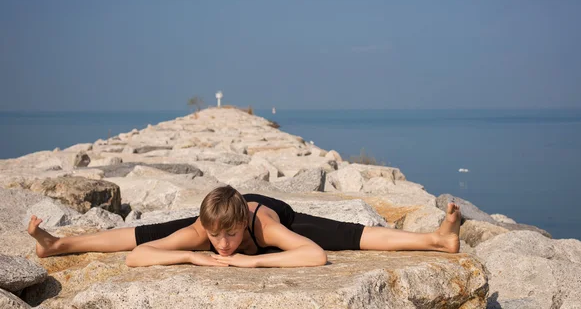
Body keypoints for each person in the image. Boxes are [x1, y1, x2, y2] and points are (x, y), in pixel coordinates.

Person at [27, 185, 461, 268]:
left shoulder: (261, 226)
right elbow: (139, 254)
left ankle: (437, 239)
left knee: (352, 236)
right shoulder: (205, 231)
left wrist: (252, 266)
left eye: (228, 236)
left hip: (271, 211)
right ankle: (59, 244)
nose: (223, 244)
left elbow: (315, 255)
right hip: (221, 209)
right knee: (145, 233)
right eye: (216, 236)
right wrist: (193, 255)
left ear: (239, 225)